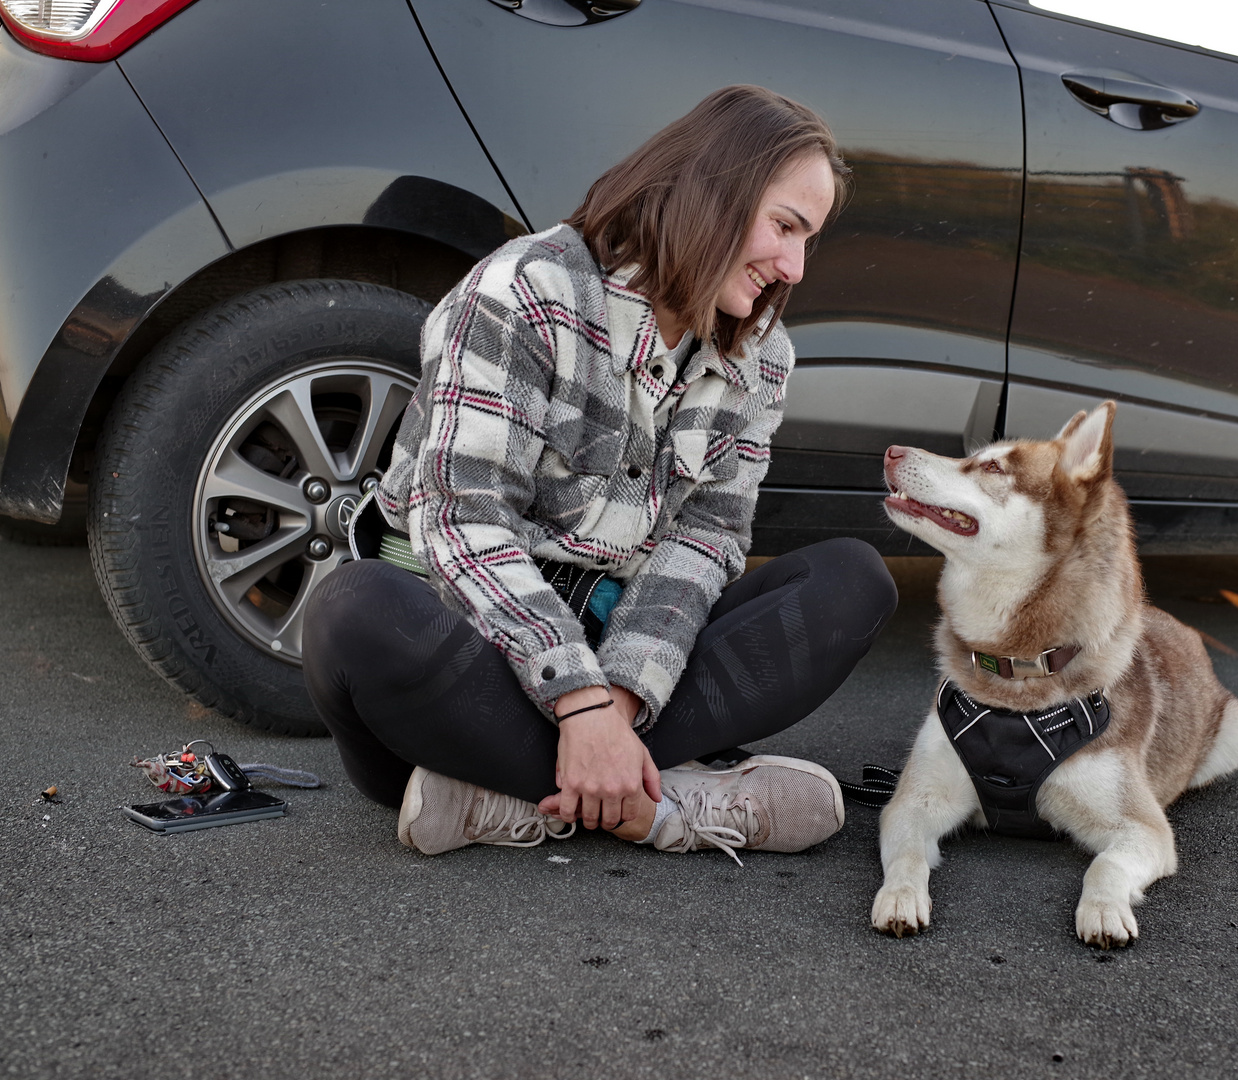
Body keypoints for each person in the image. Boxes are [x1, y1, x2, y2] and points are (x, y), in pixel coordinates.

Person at [302, 85, 897, 862]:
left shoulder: (764, 358)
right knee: (352, 611)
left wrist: (614, 703)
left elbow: (706, 541)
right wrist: (575, 703)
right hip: (470, 645)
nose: (794, 266)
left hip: (621, 661)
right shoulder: (526, 292)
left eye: (808, 239)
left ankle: (506, 796)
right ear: (709, 193)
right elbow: (462, 519)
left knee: (852, 582)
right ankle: (670, 805)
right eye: (786, 226)